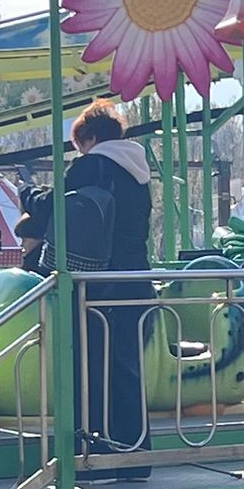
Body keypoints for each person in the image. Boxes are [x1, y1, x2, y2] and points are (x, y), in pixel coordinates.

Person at [61, 100, 154, 451]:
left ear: (89, 137)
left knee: (91, 368)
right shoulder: (138, 171)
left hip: (98, 282)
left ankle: (92, 450)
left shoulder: (91, 166)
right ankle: (135, 454)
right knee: (128, 367)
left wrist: (31, 200)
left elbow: (61, 210)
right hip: (136, 277)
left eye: (78, 144)